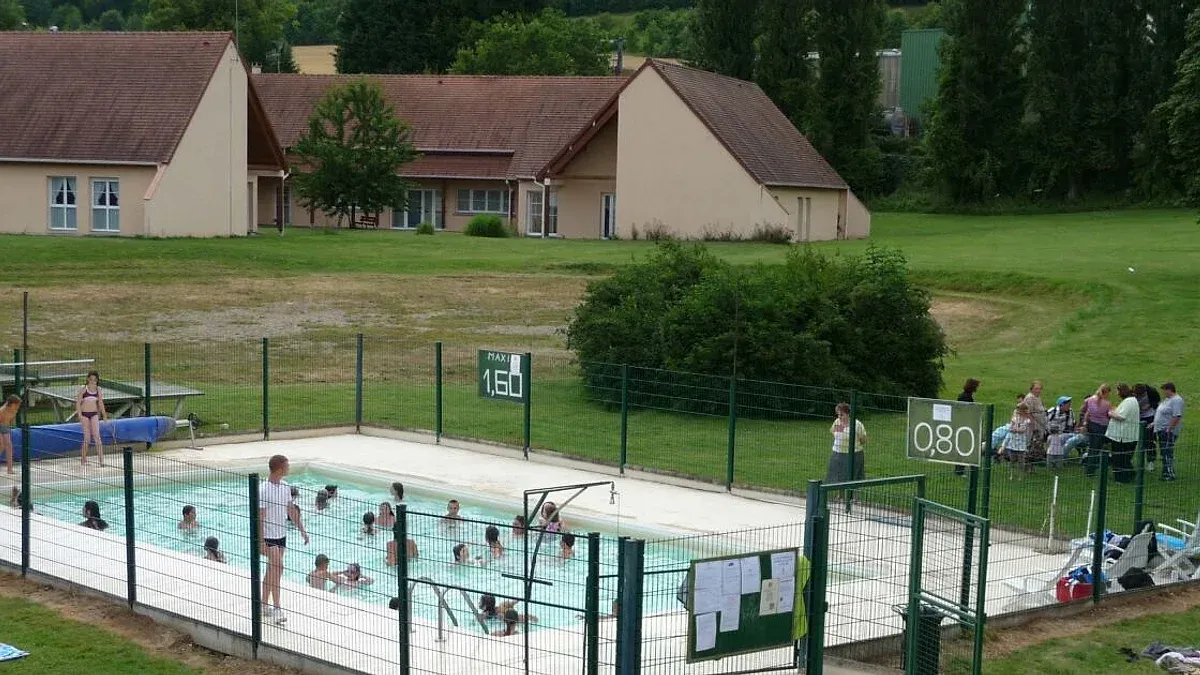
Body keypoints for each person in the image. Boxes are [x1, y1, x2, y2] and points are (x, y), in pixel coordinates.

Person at [259, 454, 310, 625]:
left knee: (272, 571)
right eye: (287, 466)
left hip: (281, 535)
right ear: (280, 468)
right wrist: (260, 541)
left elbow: (291, 510)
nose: (289, 468)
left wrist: (302, 530)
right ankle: (277, 608)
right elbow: (260, 516)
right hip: (268, 536)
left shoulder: (285, 487)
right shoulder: (264, 489)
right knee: (278, 568)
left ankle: (263, 604)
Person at [1105, 383, 1141, 485]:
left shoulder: (1129, 402)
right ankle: (1129, 474)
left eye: (1117, 391)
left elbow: (1121, 416)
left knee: (1119, 458)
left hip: (1122, 436)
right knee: (1124, 458)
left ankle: (1121, 479)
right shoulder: (1131, 400)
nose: (1117, 393)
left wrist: (1110, 413)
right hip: (1127, 435)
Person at [825, 402, 867, 483]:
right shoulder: (837, 422)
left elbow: (863, 440)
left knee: (853, 477)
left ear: (848, 414)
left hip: (854, 454)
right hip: (838, 454)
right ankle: (840, 495)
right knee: (839, 476)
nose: (839, 417)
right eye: (838, 414)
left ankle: (854, 496)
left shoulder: (857, 424)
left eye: (841, 415)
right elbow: (833, 432)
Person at [75, 371, 108, 467]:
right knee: (87, 438)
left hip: (94, 414)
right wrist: (80, 415)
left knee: (97, 436)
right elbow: (78, 403)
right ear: (87, 379)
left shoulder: (98, 389)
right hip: (85, 415)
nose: (92, 381)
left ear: (97, 380)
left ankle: (101, 461)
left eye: (94, 380)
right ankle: (83, 459)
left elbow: (100, 403)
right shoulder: (83, 389)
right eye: (91, 379)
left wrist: (104, 415)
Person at [1079, 384, 1113, 476]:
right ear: (1106, 393)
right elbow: (1110, 414)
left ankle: (1089, 467)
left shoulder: (1090, 400)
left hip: (1092, 425)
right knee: (1096, 448)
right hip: (1101, 427)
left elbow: (1085, 411)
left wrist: (1085, 423)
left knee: (1092, 447)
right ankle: (1091, 469)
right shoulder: (1107, 404)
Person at [1154, 383, 1185, 482]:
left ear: (1169, 390)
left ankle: (1169, 473)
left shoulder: (1176, 400)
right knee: (1164, 452)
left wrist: (1169, 429)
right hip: (1161, 429)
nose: (1163, 393)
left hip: (1168, 431)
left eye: (1164, 390)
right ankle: (1165, 471)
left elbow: (1177, 415)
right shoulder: (1168, 400)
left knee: (1167, 452)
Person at [954, 379, 980, 477]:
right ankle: (959, 470)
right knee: (963, 447)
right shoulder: (966, 397)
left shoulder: (963, 395)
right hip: (964, 425)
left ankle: (960, 468)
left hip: (962, 424)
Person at [1136, 384, 1161, 471]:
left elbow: (1157, 402)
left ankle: (1150, 461)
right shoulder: (1133, 395)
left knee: (1149, 440)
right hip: (1137, 417)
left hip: (1149, 417)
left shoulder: (1152, 391)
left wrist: (1150, 405)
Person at [1045, 396, 1076, 468]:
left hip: (1065, 433)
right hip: (1052, 433)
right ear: (1061, 405)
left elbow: (1071, 424)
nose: (1069, 406)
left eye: (1069, 404)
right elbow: (1045, 421)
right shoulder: (1053, 411)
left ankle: (1063, 457)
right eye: (1067, 404)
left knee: (1072, 438)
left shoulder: (1070, 412)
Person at [1022, 380, 1049, 457]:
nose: (1038, 390)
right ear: (1032, 389)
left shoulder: (1038, 397)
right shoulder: (1029, 398)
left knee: (1039, 439)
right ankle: (1028, 455)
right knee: (1032, 439)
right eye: (1036, 388)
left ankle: (1037, 455)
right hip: (1034, 422)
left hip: (1041, 422)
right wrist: (1032, 422)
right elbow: (1027, 411)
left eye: (1040, 389)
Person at [1004, 403, 1032, 473]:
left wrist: (1016, 429)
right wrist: (1014, 429)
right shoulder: (1014, 419)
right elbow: (1010, 428)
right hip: (1014, 441)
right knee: (1012, 458)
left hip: (1021, 442)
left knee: (1021, 459)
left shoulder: (1027, 420)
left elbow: (1023, 429)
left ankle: (1021, 473)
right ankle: (1011, 472)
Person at [0, 394, 21, 474]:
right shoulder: (2, 411)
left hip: (5, 426)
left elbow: (11, 421)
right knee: (1, 445)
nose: (18, 407)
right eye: (16, 405)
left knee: (9, 446)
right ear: (12, 404)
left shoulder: (14, 410)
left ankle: (10, 469)